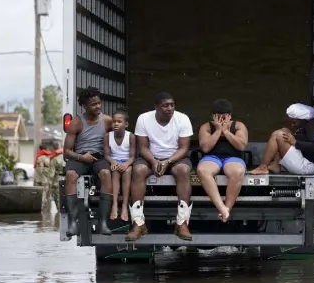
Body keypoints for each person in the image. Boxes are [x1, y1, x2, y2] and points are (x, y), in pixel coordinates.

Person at [127, 92, 194, 241]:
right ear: (156, 107)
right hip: (150, 157)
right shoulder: (144, 119)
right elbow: (143, 147)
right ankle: (138, 223)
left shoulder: (182, 119)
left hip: (176, 157)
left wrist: (167, 161)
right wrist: (154, 161)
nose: (169, 108)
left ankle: (182, 223)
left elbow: (184, 148)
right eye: (165, 105)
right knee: (138, 170)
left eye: (172, 105)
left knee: (183, 170)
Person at [63, 87, 113, 237]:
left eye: (99, 103)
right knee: (71, 175)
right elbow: (66, 151)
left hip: (99, 158)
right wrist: (81, 157)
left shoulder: (107, 121)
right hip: (81, 157)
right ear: (84, 106)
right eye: (93, 104)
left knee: (105, 173)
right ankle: (73, 223)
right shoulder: (76, 123)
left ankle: (103, 223)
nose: (97, 106)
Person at [197, 99, 248, 222]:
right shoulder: (206, 127)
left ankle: (227, 208)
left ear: (230, 116)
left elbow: (241, 145)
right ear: (213, 116)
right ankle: (222, 208)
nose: (221, 120)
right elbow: (205, 147)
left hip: (233, 158)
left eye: (224, 117)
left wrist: (226, 131)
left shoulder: (239, 126)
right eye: (218, 117)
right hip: (212, 157)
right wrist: (218, 130)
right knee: (202, 170)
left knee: (237, 171)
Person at [249, 103, 314, 175]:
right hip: (305, 161)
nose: (292, 125)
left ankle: (262, 167)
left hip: (307, 166)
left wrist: (295, 142)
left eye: (294, 122)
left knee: (278, 135)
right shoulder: (307, 125)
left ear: (302, 119)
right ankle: (276, 164)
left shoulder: (311, 126)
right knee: (285, 130)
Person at [104, 109, 136, 222]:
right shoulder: (108, 136)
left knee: (127, 172)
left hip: (127, 162)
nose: (116, 124)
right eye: (114, 121)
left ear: (126, 124)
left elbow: (132, 156)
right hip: (114, 161)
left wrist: (126, 164)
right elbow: (107, 155)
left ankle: (124, 206)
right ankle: (114, 204)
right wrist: (113, 162)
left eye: (119, 121)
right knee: (115, 172)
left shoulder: (130, 136)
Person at [49, 142, 64, 208]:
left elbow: (51, 173)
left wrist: (49, 183)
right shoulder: (65, 157)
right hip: (67, 179)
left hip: (57, 180)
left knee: (57, 198)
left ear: (52, 148)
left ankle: (59, 213)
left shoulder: (54, 159)